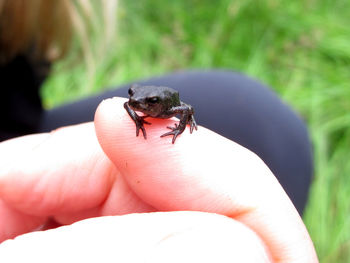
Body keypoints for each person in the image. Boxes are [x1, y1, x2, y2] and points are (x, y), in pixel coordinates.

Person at [0, 0, 318, 261]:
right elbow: (129, 105)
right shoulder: (135, 105)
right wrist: (139, 118)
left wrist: (180, 128)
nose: (136, 104)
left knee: (259, 121)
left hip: (15, 122)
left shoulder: (168, 107)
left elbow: (187, 109)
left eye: (146, 103)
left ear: (157, 103)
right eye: (134, 99)